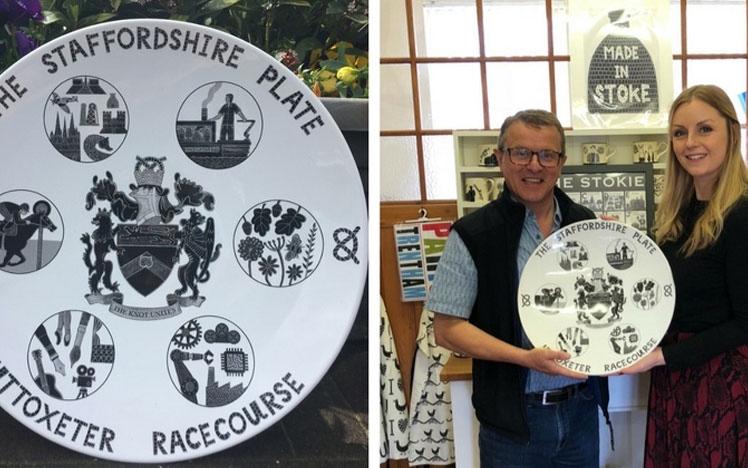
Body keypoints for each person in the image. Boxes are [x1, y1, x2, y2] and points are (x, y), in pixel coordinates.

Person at [426, 109, 610, 467]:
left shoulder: (585, 224)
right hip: (512, 421)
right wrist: (524, 358)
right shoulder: (473, 234)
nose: (535, 166)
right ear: (500, 158)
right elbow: (447, 330)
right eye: (521, 153)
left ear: (561, 162)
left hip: (581, 410)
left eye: (547, 155)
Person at [622, 84, 748, 466]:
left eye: (704, 129)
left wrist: (662, 356)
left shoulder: (741, 214)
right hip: (676, 381)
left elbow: (745, 324)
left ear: (732, 132)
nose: (690, 142)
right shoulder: (676, 217)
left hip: (721, 386)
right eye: (679, 132)